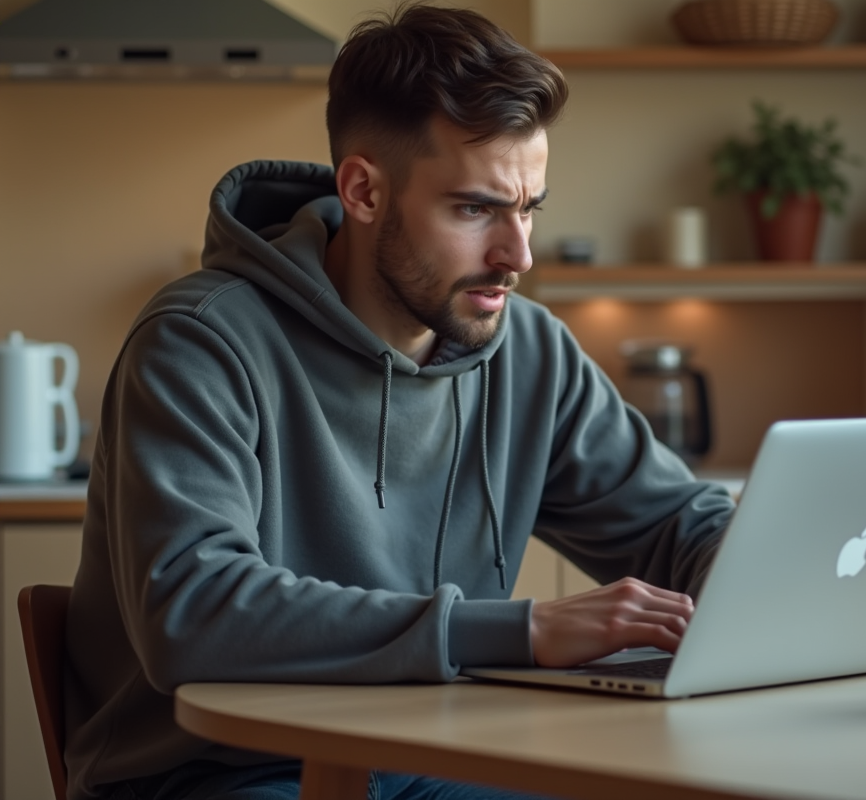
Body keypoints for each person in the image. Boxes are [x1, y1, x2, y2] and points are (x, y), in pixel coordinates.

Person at [63, 4, 734, 799]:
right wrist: (520, 631)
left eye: (529, 208)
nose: (516, 254)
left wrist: (765, 570)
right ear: (364, 191)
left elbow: (675, 527)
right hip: (220, 773)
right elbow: (193, 612)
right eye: (475, 209)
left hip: (440, 759)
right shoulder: (201, 341)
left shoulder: (529, 350)